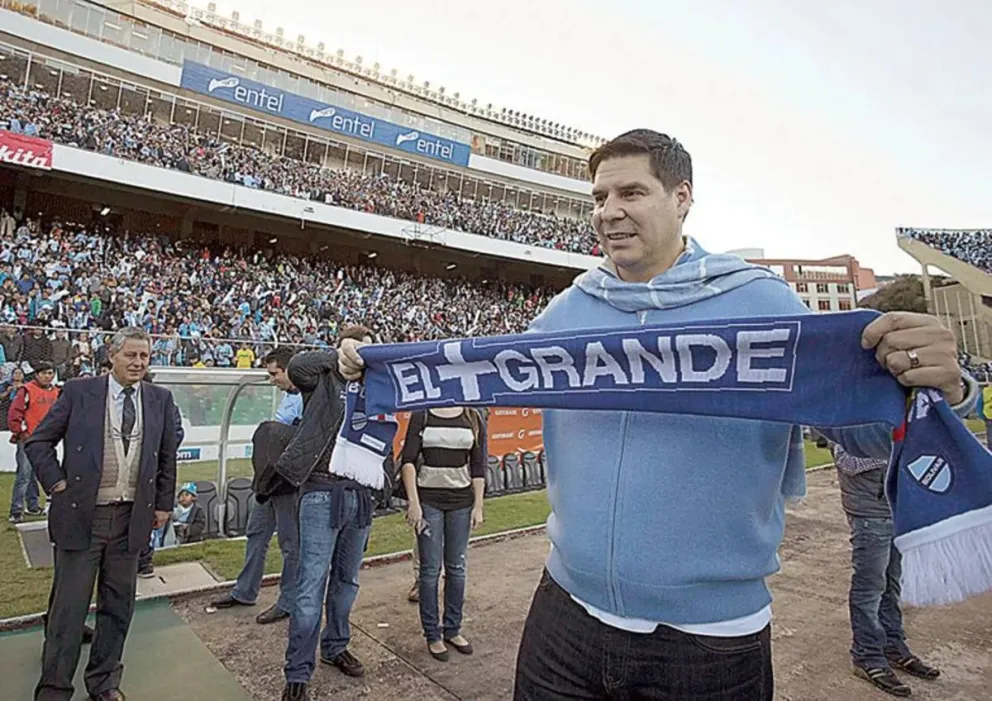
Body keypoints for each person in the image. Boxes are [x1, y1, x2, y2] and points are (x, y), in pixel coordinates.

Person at [338, 129, 978, 701]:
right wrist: (372, 366)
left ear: (682, 198)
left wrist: (941, 387)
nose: (608, 211)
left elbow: (860, 428)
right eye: (598, 197)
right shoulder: (564, 314)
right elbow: (467, 373)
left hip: (707, 638)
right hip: (565, 613)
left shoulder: (764, 304)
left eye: (631, 192)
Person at [28, 326, 178, 701]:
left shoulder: (160, 398)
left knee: (118, 609)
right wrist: (58, 485)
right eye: (131, 355)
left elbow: (167, 456)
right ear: (112, 355)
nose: (138, 362)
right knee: (68, 613)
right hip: (82, 518)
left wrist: (163, 503)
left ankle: (104, 684)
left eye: (144, 356)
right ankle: (53, 690)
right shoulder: (81, 391)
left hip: (131, 520)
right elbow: (39, 441)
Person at [280, 325, 382, 701]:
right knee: (310, 585)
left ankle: (336, 646)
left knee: (347, 582)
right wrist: (340, 354)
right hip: (321, 491)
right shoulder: (323, 377)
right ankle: (297, 672)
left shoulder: (378, 385)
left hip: (359, 494)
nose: (364, 357)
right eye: (359, 349)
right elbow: (295, 366)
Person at [831, 442, 939, 697]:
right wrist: (894, 449)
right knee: (869, 589)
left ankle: (893, 645)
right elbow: (848, 461)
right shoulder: (849, 415)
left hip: (895, 508)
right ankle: (866, 655)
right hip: (868, 513)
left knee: (891, 583)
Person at [211, 346, 303, 624]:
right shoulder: (289, 398)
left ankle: (287, 601)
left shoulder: (308, 399)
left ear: (289, 370)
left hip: (288, 482)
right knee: (256, 533)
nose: (272, 379)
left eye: (275, 373)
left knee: (290, 543)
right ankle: (244, 591)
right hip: (267, 480)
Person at [399, 406, 486, 661]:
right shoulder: (422, 415)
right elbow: (408, 461)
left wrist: (478, 505)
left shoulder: (473, 416)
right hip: (428, 502)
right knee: (429, 570)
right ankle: (432, 634)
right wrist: (413, 502)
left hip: (462, 502)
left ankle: (452, 629)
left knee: (457, 568)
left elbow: (478, 466)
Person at [7, 361, 58, 523]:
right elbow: (15, 413)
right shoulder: (26, 390)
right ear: (37, 374)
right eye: (44, 373)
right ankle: (16, 510)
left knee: (37, 474)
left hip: (45, 439)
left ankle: (33, 505)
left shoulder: (56, 392)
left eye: (50, 373)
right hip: (28, 438)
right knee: (24, 475)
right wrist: (21, 432)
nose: (47, 376)